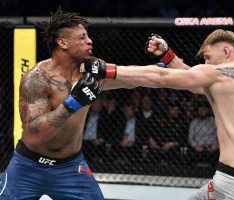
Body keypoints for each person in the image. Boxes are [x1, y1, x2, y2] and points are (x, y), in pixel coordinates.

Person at [88, 29, 234, 199]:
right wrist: (169, 56)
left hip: (233, 181)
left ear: (226, 50)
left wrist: (107, 69)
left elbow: (161, 77)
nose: (205, 64)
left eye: (207, 57)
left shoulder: (219, 73)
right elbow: (195, 80)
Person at [0, 8, 134, 200]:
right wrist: (73, 103)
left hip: (71, 167)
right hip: (27, 166)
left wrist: (167, 63)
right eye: (82, 37)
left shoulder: (91, 74)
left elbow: (139, 77)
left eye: (88, 36)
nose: (90, 41)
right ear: (62, 43)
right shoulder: (37, 78)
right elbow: (35, 135)